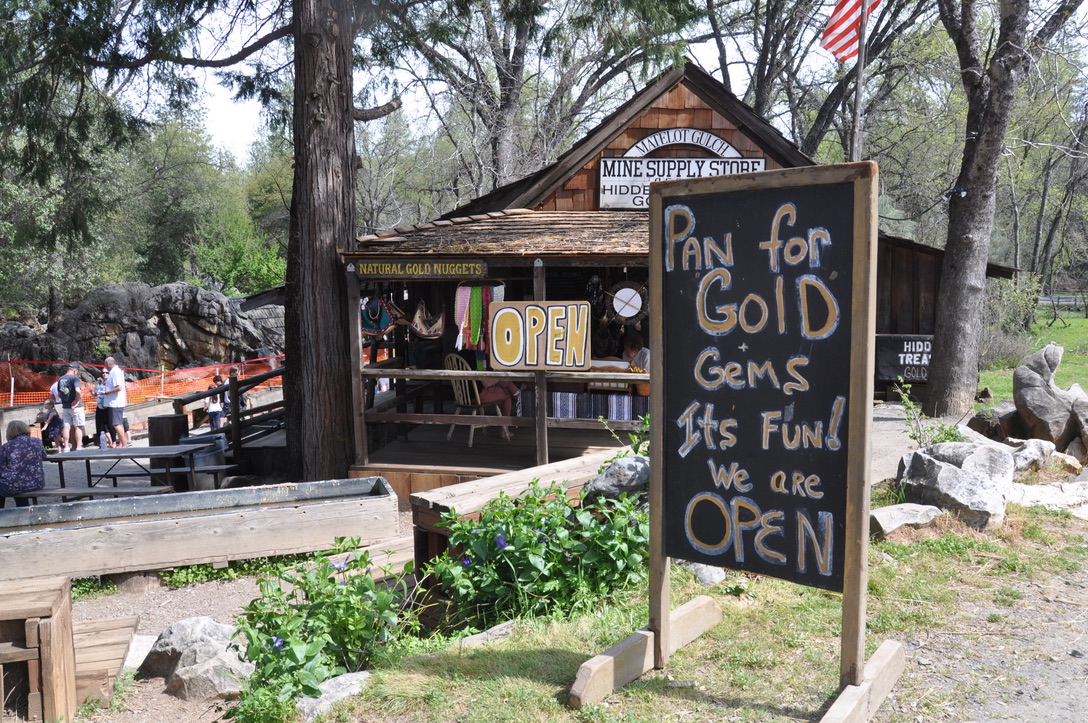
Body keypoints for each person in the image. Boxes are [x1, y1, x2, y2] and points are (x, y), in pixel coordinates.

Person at [0, 420, 47, 508]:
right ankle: (23, 510)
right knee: (17, 479)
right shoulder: (37, 442)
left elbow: (1, 467)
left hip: (15, 485)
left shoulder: (7, 446)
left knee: (11, 481)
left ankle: (2, 512)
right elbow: (44, 455)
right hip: (37, 483)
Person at [101, 356, 130, 448]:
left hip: (115, 402)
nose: (105, 367)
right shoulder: (114, 372)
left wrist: (106, 392)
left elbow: (119, 387)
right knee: (119, 423)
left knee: (116, 424)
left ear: (108, 364)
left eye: (105, 365)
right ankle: (121, 443)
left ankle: (124, 444)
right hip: (114, 402)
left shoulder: (115, 373)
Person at [56, 362, 86, 451]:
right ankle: (79, 447)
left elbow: (59, 394)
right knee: (78, 427)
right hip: (76, 407)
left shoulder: (61, 379)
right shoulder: (74, 378)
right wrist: (77, 399)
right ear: (75, 370)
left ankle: (66, 447)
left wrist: (66, 399)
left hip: (65, 407)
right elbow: (78, 390)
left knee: (66, 427)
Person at [94, 373, 115, 447]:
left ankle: (114, 442)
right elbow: (96, 393)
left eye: (106, 373)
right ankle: (103, 443)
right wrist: (93, 392)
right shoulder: (99, 384)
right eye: (103, 373)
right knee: (100, 427)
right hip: (99, 406)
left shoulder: (109, 383)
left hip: (108, 406)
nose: (104, 374)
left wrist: (105, 392)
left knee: (110, 425)